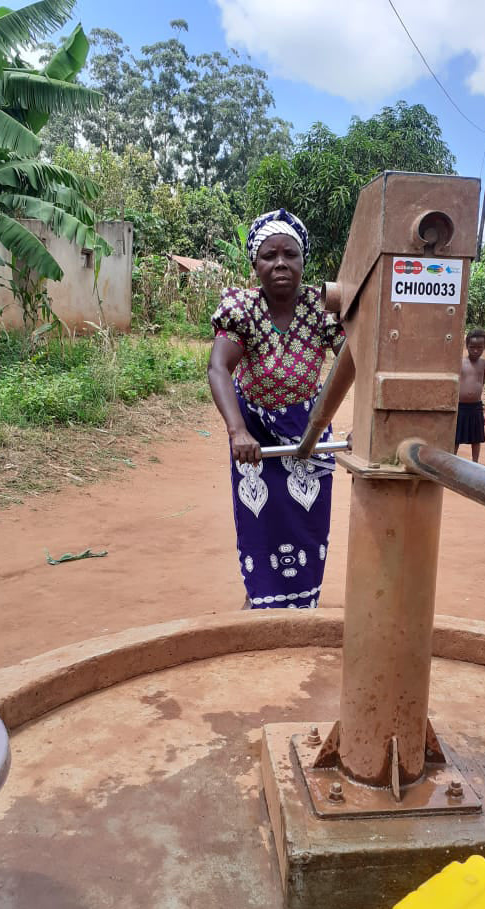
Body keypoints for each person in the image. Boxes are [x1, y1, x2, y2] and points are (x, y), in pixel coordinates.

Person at [207, 208, 345, 610]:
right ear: (255, 265)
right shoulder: (242, 308)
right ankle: (261, 599)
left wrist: (369, 426)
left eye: (290, 254)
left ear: (303, 261)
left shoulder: (323, 309)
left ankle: (302, 605)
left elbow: (354, 360)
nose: (280, 263)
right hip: (254, 432)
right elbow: (219, 368)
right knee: (261, 523)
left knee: (307, 523)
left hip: (309, 429)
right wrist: (237, 431)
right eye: (269, 256)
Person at [455, 328, 485, 462]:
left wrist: (482, 403)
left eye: (479, 347)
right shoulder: (459, 363)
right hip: (460, 406)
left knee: (476, 438)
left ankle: (475, 462)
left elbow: (481, 382)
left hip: (476, 406)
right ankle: (452, 460)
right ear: (466, 345)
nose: (475, 350)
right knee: (456, 437)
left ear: (484, 346)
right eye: (472, 347)